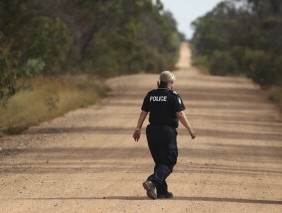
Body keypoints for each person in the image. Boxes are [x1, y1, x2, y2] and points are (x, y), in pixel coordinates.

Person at [132, 70, 196, 199]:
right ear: (170, 83)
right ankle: (152, 181)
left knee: (160, 161)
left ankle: (162, 191)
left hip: (152, 131)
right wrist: (190, 129)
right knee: (169, 161)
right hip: (166, 132)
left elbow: (143, 112)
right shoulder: (173, 95)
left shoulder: (151, 95)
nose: (173, 85)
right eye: (173, 83)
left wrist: (138, 128)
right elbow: (180, 114)